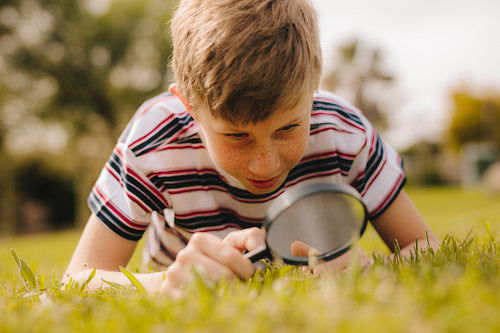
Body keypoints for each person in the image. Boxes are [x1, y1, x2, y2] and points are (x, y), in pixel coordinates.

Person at [63, 0, 439, 297]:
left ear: (313, 90)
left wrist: (370, 268)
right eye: (236, 136)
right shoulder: (153, 141)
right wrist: (164, 285)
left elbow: (426, 247)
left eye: (289, 127)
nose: (265, 165)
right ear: (189, 106)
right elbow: (77, 279)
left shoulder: (344, 132)